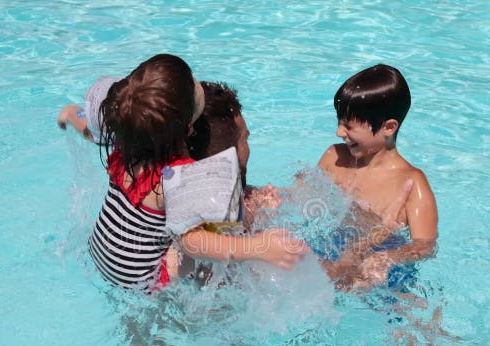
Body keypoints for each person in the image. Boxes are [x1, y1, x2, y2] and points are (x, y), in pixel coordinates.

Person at [59, 54, 308, 292]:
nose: (197, 81)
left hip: (101, 254)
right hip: (144, 282)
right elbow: (193, 242)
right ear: (188, 127)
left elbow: (90, 131)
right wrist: (257, 247)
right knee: (200, 236)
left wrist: (72, 113)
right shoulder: (178, 175)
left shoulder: (128, 142)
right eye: (193, 83)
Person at [317, 64, 438, 288]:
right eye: (339, 122)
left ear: (389, 127)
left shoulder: (412, 183)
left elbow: (425, 245)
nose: (339, 132)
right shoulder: (334, 158)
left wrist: (390, 258)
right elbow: (302, 204)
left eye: (349, 126)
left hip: (381, 267)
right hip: (333, 250)